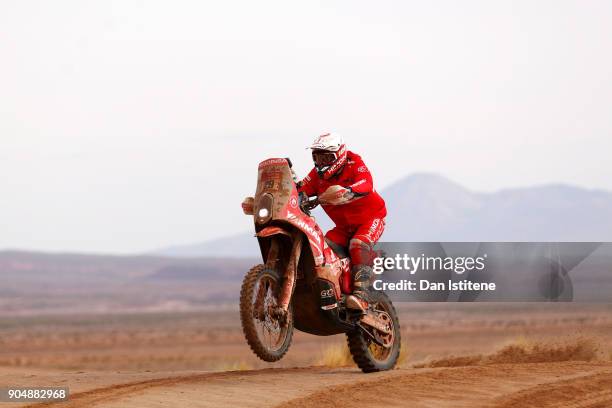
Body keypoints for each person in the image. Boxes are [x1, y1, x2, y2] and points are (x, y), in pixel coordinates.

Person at [298, 132, 386, 311]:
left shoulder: (354, 163)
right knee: (323, 249)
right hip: (344, 227)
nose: (321, 163)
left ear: (339, 155)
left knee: (357, 244)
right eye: (318, 157)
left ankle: (362, 295)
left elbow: (366, 183)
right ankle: (339, 290)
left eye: (326, 158)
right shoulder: (317, 175)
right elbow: (301, 188)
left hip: (370, 219)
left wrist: (348, 191)